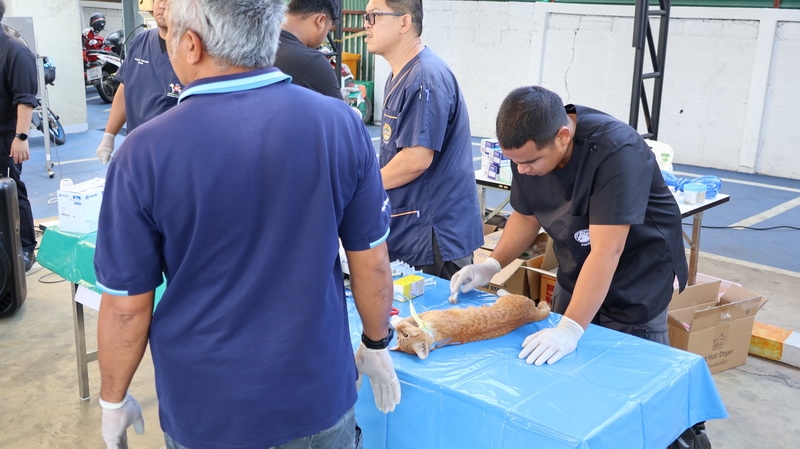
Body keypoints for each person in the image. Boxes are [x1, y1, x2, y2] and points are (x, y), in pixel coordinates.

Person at [93, 0, 400, 448]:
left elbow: (126, 307)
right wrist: (375, 344)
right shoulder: (340, 125)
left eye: (170, 37)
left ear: (192, 45)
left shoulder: (143, 153)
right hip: (315, 395)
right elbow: (371, 260)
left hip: (208, 409)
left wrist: (113, 400)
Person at [450, 85, 688, 366]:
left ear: (563, 136)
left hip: (636, 278)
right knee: (560, 366)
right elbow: (527, 216)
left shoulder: (617, 151)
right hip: (578, 267)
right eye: (514, 162)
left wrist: (571, 328)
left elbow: (607, 250)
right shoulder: (528, 149)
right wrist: (492, 265)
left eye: (530, 162)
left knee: (629, 372)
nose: (522, 170)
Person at [364, 0, 483, 280]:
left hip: (433, 235)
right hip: (413, 227)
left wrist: (362, 187)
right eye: (366, 16)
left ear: (404, 23)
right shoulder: (401, 74)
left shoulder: (423, 78)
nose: (366, 25)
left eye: (374, 16)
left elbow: (415, 160)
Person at [95, 0, 183, 164]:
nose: (162, 5)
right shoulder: (140, 42)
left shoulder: (193, 49)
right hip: (138, 149)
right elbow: (125, 88)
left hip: (176, 153)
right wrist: (109, 136)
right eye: (158, 0)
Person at [0, 0, 39, 271]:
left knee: (12, 190)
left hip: (6, 137)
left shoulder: (15, 51)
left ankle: (25, 249)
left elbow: (25, 99)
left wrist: (21, 137)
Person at [274, 0, 342, 99]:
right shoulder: (313, 62)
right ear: (321, 20)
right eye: (328, 30)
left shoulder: (258, 46)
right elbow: (339, 108)